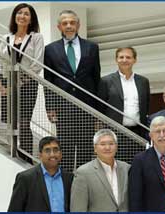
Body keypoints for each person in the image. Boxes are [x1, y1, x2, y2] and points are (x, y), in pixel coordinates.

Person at [44, 10, 100, 172]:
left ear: (78, 25)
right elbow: (48, 80)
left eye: (72, 22)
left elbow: (96, 78)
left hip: (86, 107)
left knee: (85, 151)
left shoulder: (92, 47)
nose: (69, 26)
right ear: (59, 26)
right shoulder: (50, 49)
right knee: (65, 152)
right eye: (65, 23)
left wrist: (97, 111)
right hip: (63, 107)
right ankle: (66, 189)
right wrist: (50, 107)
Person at [0, 3, 43, 164]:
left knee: (23, 121)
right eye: (19, 13)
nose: (22, 16)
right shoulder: (6, 38)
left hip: (27, 84)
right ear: (15, 16)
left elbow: (37, 64)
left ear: (31, 19)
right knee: (10, 121)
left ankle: (26, 158)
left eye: (26, 14)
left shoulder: (36, 37)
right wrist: (1, 83)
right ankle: (12, 154)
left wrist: (18, 82)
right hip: (7, 83)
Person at [7, 136, 73, 212]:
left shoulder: (69, 178)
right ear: (40, 155)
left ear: (61, 154)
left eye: (55, 150)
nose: (52, 154)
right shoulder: (25, 178)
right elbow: (14, 209)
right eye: (47, 151)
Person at [70, 129, 130, 212]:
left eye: (111, 144)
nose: (107, 147)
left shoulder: (127, 169)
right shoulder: (83, 173)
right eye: (102, 144)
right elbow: (78, 209)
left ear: (116, 147)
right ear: (95, 148)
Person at [97, 47, 150, 138]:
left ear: (134, 60)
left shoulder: (143, 82)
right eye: (121, 57)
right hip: (114, 132)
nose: (124, 60)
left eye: (128, 57)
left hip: (138, 132)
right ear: (116, 60)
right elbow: (100, 108)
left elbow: (146, 106)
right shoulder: (106, 81)